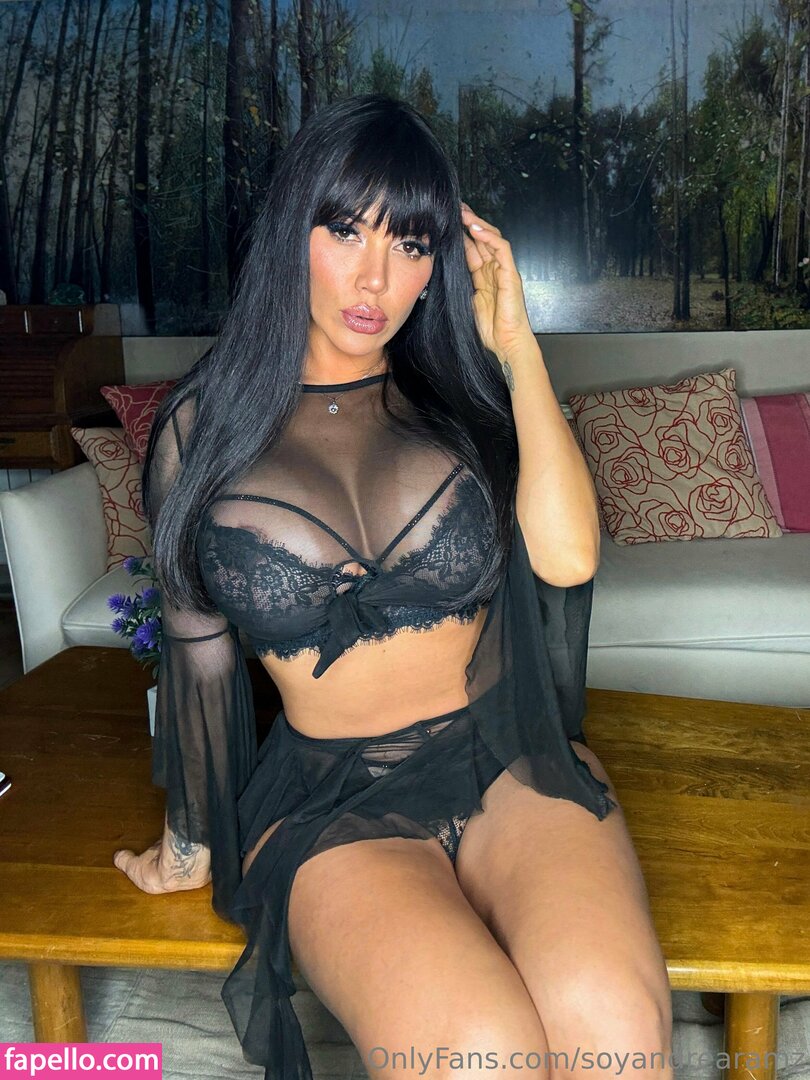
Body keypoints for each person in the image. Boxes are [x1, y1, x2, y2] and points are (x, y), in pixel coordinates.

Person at [113, 93, 673, 1080]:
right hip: (329, 800)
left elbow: (569, 560)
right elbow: (200, 656)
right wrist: (191, 841)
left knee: (615, 1029)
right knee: (480, 1053)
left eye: (410, 243)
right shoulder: (199, 430)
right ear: (293, 230)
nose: (376, 278)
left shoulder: (460, 394)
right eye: (345, 231)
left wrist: (518, 352)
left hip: (502, 758)